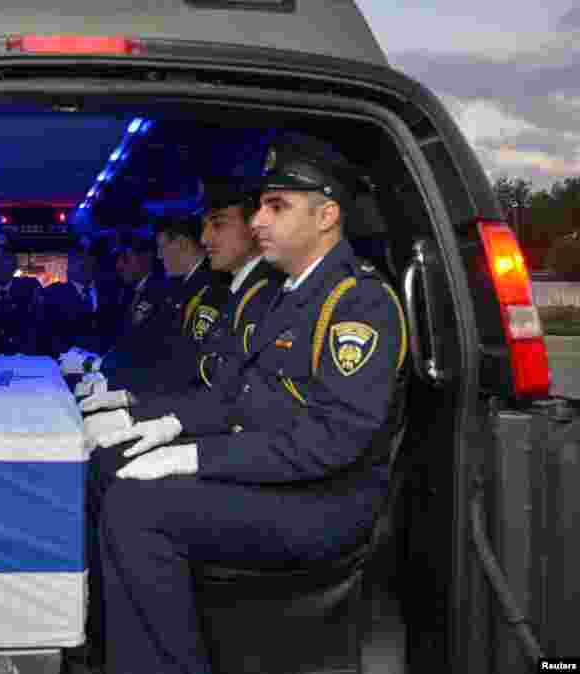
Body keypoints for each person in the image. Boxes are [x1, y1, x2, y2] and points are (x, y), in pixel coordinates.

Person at [74, 133, 409, 674]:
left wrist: (194, 457)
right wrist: (164, 426)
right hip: (276, 475)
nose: (258, 221)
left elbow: (334, 440)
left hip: (324, 502)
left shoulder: (358, 302)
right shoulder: (291, 292)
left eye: (277, 207)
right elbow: (234, 395)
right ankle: (110, 649)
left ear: (327, 216)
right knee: (115, 464)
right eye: (259, 207)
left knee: (139, 508)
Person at [67, 209, 227, 397]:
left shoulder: (207, 289)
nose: (159, 256)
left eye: (162, 247)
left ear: (182, 244)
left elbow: (176, 361)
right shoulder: (182, 288)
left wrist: (123, 392)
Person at [43, 236, 114, 357]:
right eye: (78, 257)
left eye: (88, 257)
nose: (83, 262)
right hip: (68, 365)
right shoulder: (52, 294)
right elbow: (47, 337)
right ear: (68, 265)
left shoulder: (112, 292)